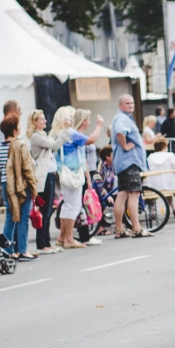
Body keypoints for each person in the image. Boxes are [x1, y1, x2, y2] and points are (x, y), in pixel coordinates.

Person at [51, 106, 103, 249]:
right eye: (70, 117)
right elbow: (91, 139)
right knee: (72, 206)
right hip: (72, 171)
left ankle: (62, 237)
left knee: (67, 204)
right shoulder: (70, 133)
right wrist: (99, 125)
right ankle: (68, 238)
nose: (73, 120)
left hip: (64, 171)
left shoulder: (58, 133)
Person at [111, 94, 151, 239]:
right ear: (120, 105)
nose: (130, 106)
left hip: (123, 163)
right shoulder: (122, 118)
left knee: (122, 194)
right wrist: (125, 146)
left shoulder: (122, 117)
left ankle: (119, 229)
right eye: (127, 103)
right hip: (129, 161)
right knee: (134, 194)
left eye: (132, 103)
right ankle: (136, 228)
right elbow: (120, 132)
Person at [0, 114, 37, 261]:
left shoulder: (1, 146)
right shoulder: (20, 144)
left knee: (10, 216)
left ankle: (8, 249)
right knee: (23, 217)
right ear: (14, 130)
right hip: (19, 184)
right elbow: (27, 168)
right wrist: (33, 187)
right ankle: (22, 249)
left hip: (5, 183)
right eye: (19, 126)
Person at [28, 110, 60, 254]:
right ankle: (42, 243)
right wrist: (65, 132)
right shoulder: (36, 137)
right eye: (41, 119)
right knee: (44, 209)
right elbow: (54, 145)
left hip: (50, 174)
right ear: (34, 122)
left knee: (48, 209)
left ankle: (46, 241)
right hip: (44, 176)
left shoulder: (42, 135)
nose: (45, 121)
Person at [72, 110, 102, 247]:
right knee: (83, 204)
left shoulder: (80, 135)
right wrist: (99, 125)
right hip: (84, 172)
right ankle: (84, 235)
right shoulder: (78, 136)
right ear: (83, 120)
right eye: (88, 119)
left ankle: (85, 234)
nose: (89, 122)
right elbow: (82, 158)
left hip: (88, 171)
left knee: (85, 204)